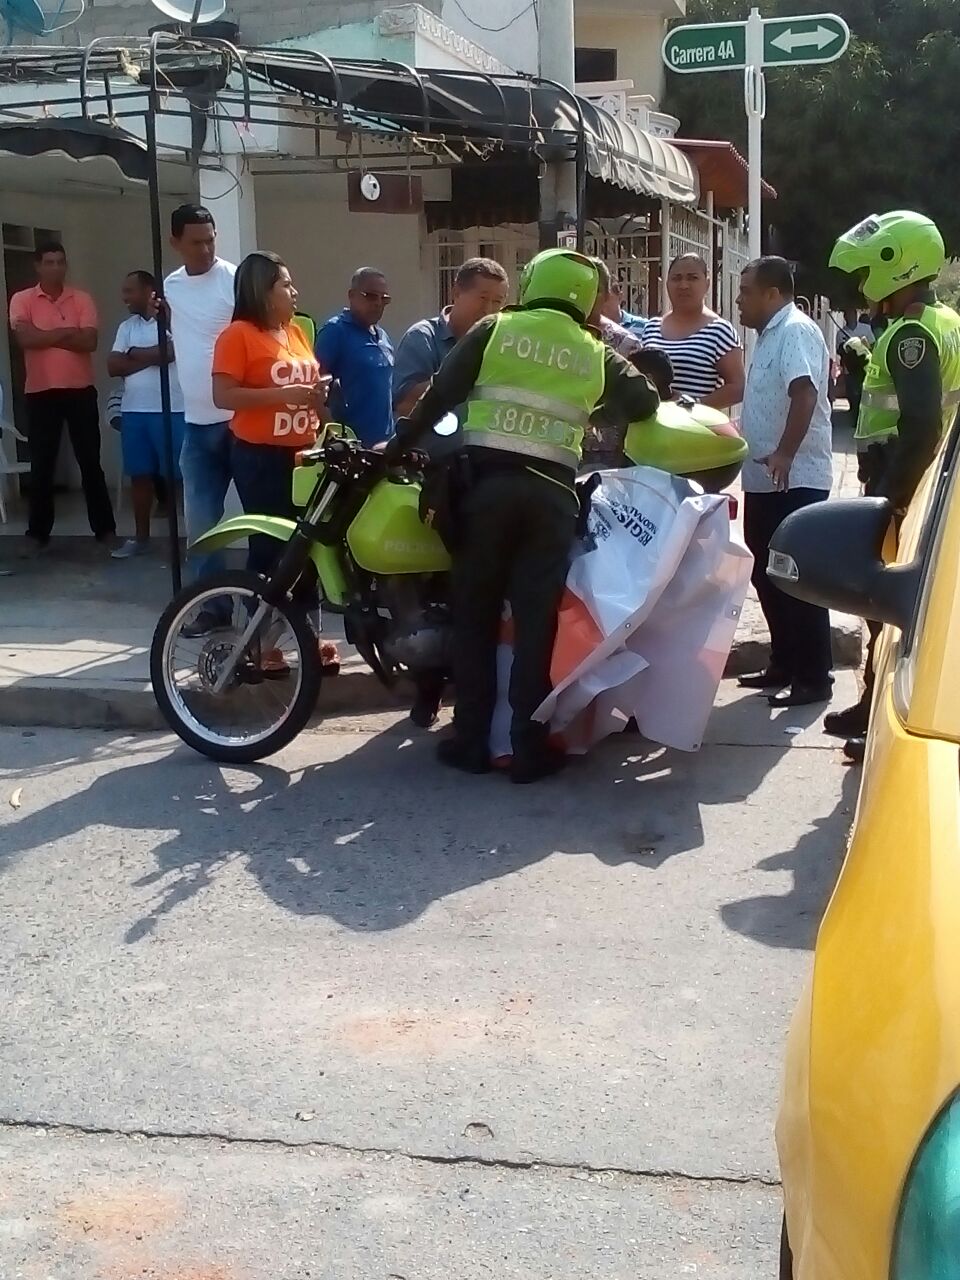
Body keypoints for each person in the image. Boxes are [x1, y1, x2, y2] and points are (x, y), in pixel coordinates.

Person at [387, 248, 659, 782]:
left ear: (533, 282)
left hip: (485, 492)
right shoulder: (592, 349)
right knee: (535, 626)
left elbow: (441, 394)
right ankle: (528, 749)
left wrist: (396, 451)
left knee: (475, 620)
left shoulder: (496, 330)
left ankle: (470, 743)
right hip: (552, 500)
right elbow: (645, 400)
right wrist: (590, 410)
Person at [824, 210, 960, 759]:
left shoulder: (909, 333)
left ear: (894, 265)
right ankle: (871, 702)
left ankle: (876, 714)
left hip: (902, 486)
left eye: (865, 275)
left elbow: (922, 423)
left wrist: (895, 499)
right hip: (925, 484)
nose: (861, 286)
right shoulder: (943, 320)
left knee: (883, 602)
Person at [211, 251, 340, 675]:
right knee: (270, 548)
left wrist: (327, 419)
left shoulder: (295, 332)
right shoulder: (238, 336)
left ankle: (307, 638)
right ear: (262, 291)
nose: (294, 291)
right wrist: (281, 396)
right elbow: (224, 396)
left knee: (308, 548)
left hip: (304, 454)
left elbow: (308, 388)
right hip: (260, 455)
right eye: (285, 285)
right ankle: (261, 644)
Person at [736, 256, 834, 709]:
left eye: (747, 292)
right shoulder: (771, 334)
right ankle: (785, 662)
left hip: (794, 480)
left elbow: (805, 393)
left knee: (798, 578)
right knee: (767, 574)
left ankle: (814, 677)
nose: (739, 301)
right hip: (765, 479)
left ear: (772, 294)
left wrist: (786, 453)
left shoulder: (793, 329)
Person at [8, 241, 116, 554]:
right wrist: (66, 332)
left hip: (79, 389)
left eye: (60, 262)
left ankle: (105, 529)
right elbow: (25, 338)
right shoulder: (22, 299)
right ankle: (38, 533)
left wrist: (45, 335)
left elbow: (90, 341)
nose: (56, 268)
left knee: (90, 462)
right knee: (43, 463)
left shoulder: (80, 298)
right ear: (37, 266)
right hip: (41, 391)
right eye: (50, 262)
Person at [164, 204, 236, 635]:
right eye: (196, 241)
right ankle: (213, 609)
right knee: (203, 527)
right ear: (176, 243)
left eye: (211, 239)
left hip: (240, 420)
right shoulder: (171, 286)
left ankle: (277, 613)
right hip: (196, 423)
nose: (206, 248)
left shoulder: (235, 279)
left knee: (267, 517)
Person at [107, 270, 185, 558]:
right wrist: (152, 355)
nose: (125, 297)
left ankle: (187, 541)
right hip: (134, 412)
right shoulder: (126, 327)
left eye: (130, 291)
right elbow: (113, 366)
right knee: (139, 476)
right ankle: (141, 539)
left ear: (149, 291)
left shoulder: (173, 321)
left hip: (173, 410)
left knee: (180, 477)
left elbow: (172, 353)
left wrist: (135, 354)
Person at [392, 258, 510, 419]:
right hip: (431, 444)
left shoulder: (502, 344)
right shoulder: (423, 337)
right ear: (456, 293)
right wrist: (463, 371)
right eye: (482, 298)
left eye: (497, 302)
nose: (488, 310)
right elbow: (405, 404)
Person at [642, 253, 745, 409]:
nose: (683, 285)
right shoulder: (651, 328)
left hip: (696, 429)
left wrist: (694, 405)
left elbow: (738, 387)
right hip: (651, 429)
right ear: (667, 283)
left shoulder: (720, 331)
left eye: (692, 278)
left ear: (707, 283)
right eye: (676, 278)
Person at [315, 268, 394, 447]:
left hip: (384, 447)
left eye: (384, 299)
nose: (378, 303)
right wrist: (337, 437)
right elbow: (315, 390)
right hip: (351, 448)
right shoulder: (335, 331)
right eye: (371, 296)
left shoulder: (383, 336)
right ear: (352, 295)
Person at [836, 305, 874, 425]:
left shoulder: (866, 329)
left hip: (865, 366)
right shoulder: (840, 333)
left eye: (852, 314)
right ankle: (855, 418)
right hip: (850, 369)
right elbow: (839, 350)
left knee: (864, 392)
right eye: (847, 315)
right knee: (852, 393)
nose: (850, 317)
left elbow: (873, 345)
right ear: (845, 317)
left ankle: (864, 418)